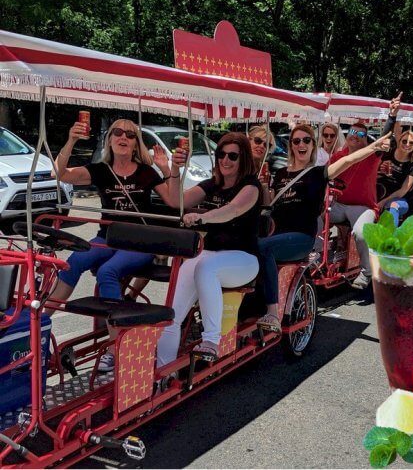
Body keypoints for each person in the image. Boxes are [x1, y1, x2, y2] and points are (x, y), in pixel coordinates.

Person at [48, 119, 172, 372]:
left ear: (137, 143)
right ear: (109, 140)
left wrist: (169, 170)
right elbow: (59, 174)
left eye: (130, 134)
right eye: (117, 132)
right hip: (108, 237)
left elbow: (172, 201)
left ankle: (116, 347)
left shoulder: (146, 172)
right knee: (73, 262)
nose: (123, 137)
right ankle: (37, 320)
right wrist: (72, 140)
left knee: (108, 271)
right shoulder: (101, 170)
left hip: (140, 241)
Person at [256, 124, 392, 332]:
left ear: (312, 145)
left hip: (301, 236)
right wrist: (265, 186)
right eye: (296, 141)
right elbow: (270, 204)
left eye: (306, 140)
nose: (301, 144)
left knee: (263, 247)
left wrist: (374, 147)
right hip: (278, 232)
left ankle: (272, 313)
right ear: (291, 145)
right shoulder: (281, 172)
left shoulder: (319, 172)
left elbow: (349, 160)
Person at [156, 132, 261, 365]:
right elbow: (176, 201)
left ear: (243, 158)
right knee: (170, 316)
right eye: (221, 154)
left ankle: (211, 340)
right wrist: (174, 169)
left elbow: (231, 210)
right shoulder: (212, 184)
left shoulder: (251, 187)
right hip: (208, 254)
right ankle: (163, 372)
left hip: (243, 259)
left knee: (205, 266)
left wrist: (203, 218)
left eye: (232, 156)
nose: (225, 160)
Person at [326, 94, 401, 290]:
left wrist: (391, 116)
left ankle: (366, 271)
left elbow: (384, 136)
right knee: (315, 215)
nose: (354, 135)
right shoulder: (338, 156)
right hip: (339, 204)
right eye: (352, 131)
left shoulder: (371, 155)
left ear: (366, 139)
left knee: (360, 233)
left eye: (360, 134)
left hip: (362, 207)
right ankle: (316, 255)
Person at [377, 131, 413, 226]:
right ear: (399, 141)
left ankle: (390, 237)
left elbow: (403, 191)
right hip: (378, 193)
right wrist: (381, 172)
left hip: (399, 199)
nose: (407, 144)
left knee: (393, 206)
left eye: (411, 142)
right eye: (404, 141)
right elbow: (373, 174)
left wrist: (384, 202)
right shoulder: (387, 154)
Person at [247, 125, 275, 204]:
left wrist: (264, 187)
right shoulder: (237, 166)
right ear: (249, 141)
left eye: (266, 145)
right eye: (258, 141)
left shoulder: (265, 173)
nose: (262, 146)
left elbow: (267, 206)